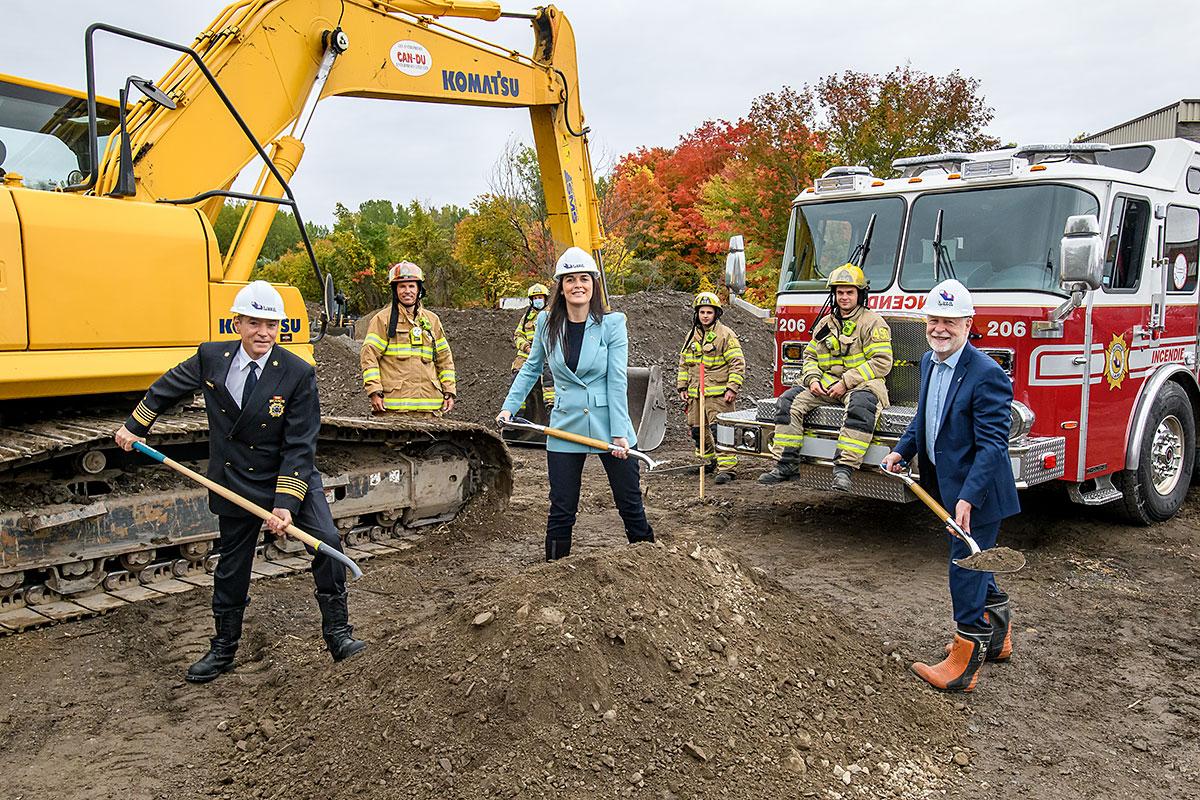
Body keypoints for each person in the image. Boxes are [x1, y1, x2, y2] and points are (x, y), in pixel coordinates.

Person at [114, 280, 366, 683]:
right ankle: (223, 649)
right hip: (233, 481)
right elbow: (167, 387)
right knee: (233, 566)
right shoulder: (211, 357)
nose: (264, 332)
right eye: (254, 323)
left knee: (328, 544)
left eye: (271, 324)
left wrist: (285, 504)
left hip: (287, 475)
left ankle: (338, 637)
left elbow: (300, 444)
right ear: (237, 323)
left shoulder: (298, 373)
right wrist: (135, 426)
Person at [882, 278, 1019, 693]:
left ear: (968, 323)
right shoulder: (928, 361)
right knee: (979, 563)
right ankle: (998, 639)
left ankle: (963, 664)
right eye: (934, 320)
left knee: (964, 568)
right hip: (947, 485)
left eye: (950, 322)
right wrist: (902, 450)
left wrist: (967, 499)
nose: (940, 329)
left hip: (978, 495)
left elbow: (994, 445)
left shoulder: (986, 374)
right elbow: (927, 417)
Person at [496, 246, 654, 560]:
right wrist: (508, 406)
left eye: (584, 278)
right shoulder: (546, 323)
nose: (577, 285)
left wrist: (621, 432)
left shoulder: (612, 324)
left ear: (594, 284)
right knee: (562, 507)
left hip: (609, 424)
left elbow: (616, 380)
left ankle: (651, 563)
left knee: (630, 502)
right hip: (565, 423)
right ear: (561, 286)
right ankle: (553, 572)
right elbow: (531, 367)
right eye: (570, 279)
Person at [759, 263, 893, 491]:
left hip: (861, 385)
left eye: (849, 292)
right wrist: (812, 379)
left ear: (860, 294)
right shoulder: (825, 324)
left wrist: (846, 382)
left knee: (861, 408)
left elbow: (881, 362)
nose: (844, 297)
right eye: (840, 292)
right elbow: (810, 355)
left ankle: (844, 470)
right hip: (826, 386)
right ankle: (786, 464)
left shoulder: (873, 323)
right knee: (787, 401)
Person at [361, 261, 456, 417]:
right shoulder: (382, 320)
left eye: (411, 286)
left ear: (419, 289)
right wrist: (374, 391)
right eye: (402, 286)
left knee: (432, 443)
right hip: (393, 410)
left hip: (430, 409)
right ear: (395, 290)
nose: (407, 291)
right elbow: (369, 356)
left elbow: (444, 359)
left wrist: (449, 391)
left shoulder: (432, 321)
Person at [676, 291, 745, 484]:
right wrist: (682, 387)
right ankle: (708, 462)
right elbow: (684, 363)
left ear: (716, 314)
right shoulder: (691, 336)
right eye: (702, 312)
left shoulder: (726, 335)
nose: (705, 315)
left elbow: (737, 363)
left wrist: (732, 388)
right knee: (699, 432)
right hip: (696, 394)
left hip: (719, 396)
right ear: (696, 314)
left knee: (720, 431)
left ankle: (727, 469)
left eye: (709, 312)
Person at [512, 282, 555, 413]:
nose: (537, 300)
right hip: (527, 352)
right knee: (517, 373)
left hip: (547, 352)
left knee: (549, 374)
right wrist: (526, 347)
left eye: (540, 297)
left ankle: (550, 406)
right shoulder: (526, 318)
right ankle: (518, 409)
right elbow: (518, 335)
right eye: (535, 298)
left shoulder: (552, 315)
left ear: (545, 299)